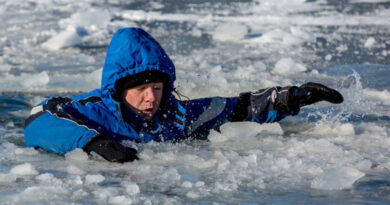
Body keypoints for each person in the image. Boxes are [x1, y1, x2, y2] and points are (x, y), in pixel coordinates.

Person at [24, 28, 343, 163]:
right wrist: (94, 143)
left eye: (158, 89)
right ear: (119, 90)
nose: (151, 99)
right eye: (140, 90)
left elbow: (238, 108)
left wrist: (290, 97)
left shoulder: (177, 114)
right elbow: (37, 119)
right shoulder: (93, 111)